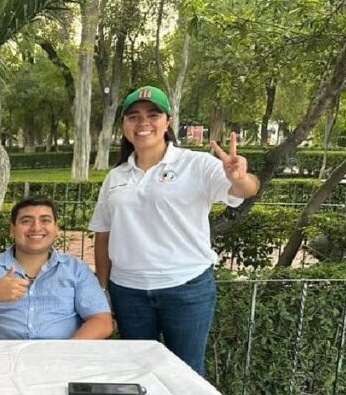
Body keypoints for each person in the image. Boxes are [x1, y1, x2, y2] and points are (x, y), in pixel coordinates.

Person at [90, 86, 260, 375]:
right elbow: (103, 234)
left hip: (186, 287)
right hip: (128, 291)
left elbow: (245, 189)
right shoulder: (116, 176)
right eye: (133, 116)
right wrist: (103, 288)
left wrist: (239, 177)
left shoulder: (195, 164)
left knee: (187, 373)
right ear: (125, 126)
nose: (143, 122)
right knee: (137, 373)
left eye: (153, 115)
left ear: (167, 122)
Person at [0, 198, 113, 340]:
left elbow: (102, 321)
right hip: (1, 360)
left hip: (59, 359)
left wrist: (66, 353)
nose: (36, 228)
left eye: (45, 220)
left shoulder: (76, 269)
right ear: (12, 229)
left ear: (56, 229)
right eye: (26, 221)